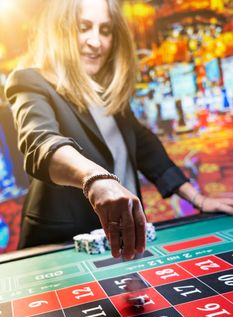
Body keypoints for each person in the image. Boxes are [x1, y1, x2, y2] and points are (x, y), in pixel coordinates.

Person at [5, 0, 233, 260]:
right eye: (84, 27)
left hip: (122, 236)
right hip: (62, 243)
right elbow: (41, 142)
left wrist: (198, 199)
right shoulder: (30, 80)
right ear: (61, 30)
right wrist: (95, 179)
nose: (96, 42)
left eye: (105, 30)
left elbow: (145, 147)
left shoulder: (107, 91)